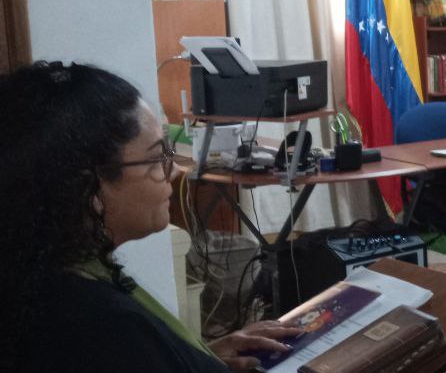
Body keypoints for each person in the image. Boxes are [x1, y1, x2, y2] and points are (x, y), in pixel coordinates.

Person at [0, 62, 303, 372]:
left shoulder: (44, 281)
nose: (174, 171)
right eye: (158, 157)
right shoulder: (102, 326)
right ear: (89, 187)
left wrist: (196, 356)